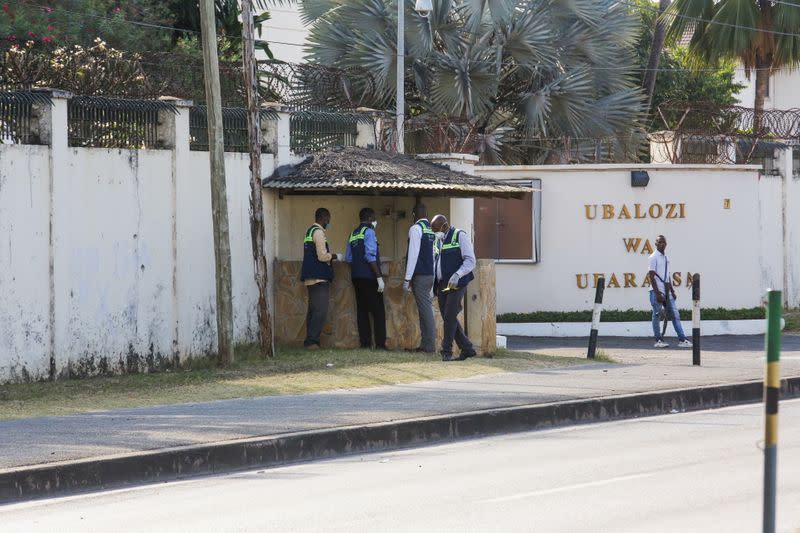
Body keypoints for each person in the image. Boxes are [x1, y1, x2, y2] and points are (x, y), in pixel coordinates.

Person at [431, 214, 477, 362]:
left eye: (436, 229)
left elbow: (470, 260)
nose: (435, 232)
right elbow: (436, 262)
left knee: (450, 315)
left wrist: (458, 274)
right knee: (447, 316)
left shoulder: (459, 235)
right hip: (443, 283)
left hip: (458, 282)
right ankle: (467, 348)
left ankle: (446, 351)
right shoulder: (438, 240)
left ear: (444, 226)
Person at [345, 207, 387, 349]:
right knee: (378, 311)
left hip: (356, 277)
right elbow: (370, 256)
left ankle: (365, 343)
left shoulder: (353, 234)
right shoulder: (369, 232)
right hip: (370, 277)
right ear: (369, 218)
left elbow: (349, 258)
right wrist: (379, 277)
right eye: (373, 218)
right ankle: (380, 345)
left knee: (362, 311)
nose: (375, 220)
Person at [300, 207, 339, 350]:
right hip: (319, 277)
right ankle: (312, 342)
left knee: (312, 310)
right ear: (323, 217)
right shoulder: (319, 233)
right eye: (328, 218)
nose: (329, 221)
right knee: (320, 311)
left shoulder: (309, 231)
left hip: (310, 276)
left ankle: (309, 341)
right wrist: (334, 256)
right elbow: (322, 256)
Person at [403, 203, 437, 353]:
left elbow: (413, 255)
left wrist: (407, 278)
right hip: (430, 274)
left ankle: (429, 346)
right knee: (424, 310)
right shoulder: (430, 229)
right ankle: (425, 344)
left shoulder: (415, 229)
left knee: (425, 311)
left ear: (413, 215)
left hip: (420, 276)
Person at [648, 234, 692, 349]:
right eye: (659, 242)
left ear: (666, 244)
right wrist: (657, 293)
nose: (661, 244)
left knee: (675, 315)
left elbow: (667, 277)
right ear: (656, 244)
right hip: (656, 291)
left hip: (667, 292)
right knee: (656, 315)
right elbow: (651, 276)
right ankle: (658, 340)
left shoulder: (666, 258)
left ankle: (682, 339)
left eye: (663, 242)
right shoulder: (653, 257)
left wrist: (672, 291)